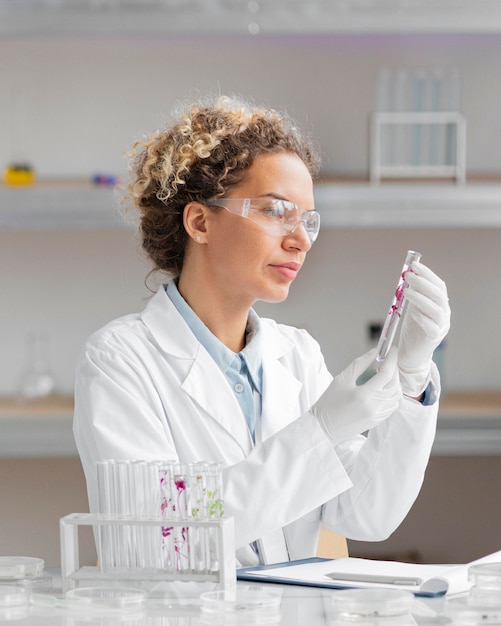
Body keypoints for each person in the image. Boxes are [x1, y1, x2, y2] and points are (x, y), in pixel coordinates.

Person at [73, 95, 450, 567]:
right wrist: (320, 431)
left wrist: (411, 380)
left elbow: (368, 514)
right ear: (199, 221)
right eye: (276, 211)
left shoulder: (296, 354)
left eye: (308, 220)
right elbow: (160, 542)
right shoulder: (121, 360)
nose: (302, 240)